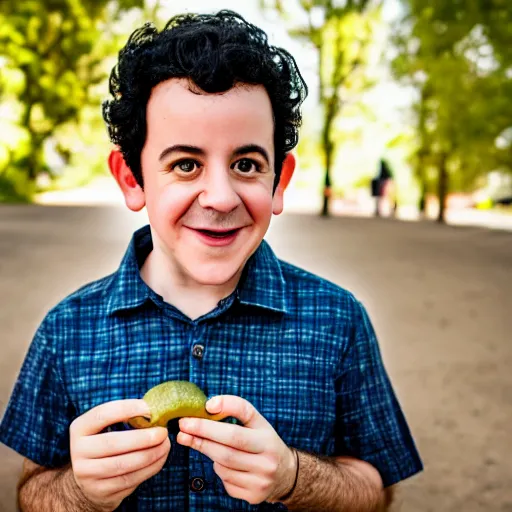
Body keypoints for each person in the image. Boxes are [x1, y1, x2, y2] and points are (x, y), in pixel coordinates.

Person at [0, 10, 422, 512]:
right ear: (132, 178)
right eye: (185, 164)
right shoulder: (65, 329)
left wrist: (292, 475)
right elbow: (30, 492)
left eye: (246, 164)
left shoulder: (338, 320)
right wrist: (77, 491)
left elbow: (377, 493)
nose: (220, 197)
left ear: (278, 180)